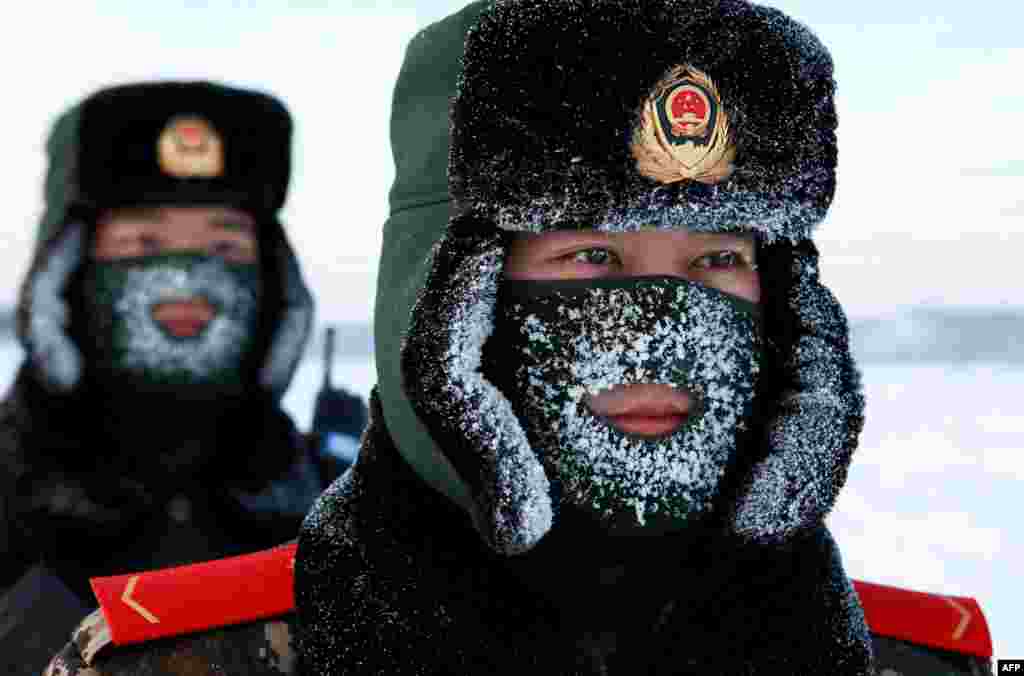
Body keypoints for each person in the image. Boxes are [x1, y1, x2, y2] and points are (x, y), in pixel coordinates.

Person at [40, 2, 995, 675]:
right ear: (443, 297)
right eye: (588, 256)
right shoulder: (183, 663)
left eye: (716, 261)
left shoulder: (917, 662)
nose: (660, 323)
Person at [0, 81, 323, 673]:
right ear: (66, 275)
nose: (184, 280)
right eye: (144, 242)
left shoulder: (334, 503)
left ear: (276, 283)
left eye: (225, 248)